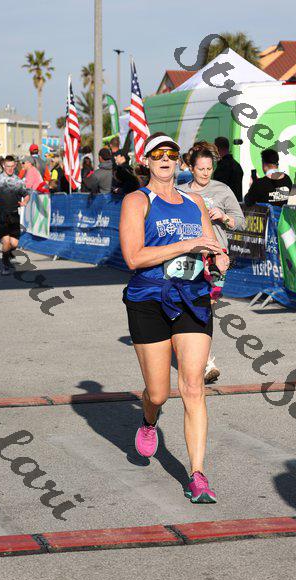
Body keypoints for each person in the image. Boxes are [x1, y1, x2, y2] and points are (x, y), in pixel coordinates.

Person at [119, 131, 229, 503]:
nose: (165, 158)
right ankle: (149, 419)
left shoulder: (194, 202)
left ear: (179, 160)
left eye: (171, 153)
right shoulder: (137, 200)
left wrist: (219, 258)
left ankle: (198, 475)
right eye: (157, 153)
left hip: (192, 296)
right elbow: (133, 257)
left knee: (193, 386)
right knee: (158, 392)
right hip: (149, 298)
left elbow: (211, 246)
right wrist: (185, 245)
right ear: (146, 160)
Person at [180, 141, 245, 384]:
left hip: (216, 257)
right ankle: (203, 361)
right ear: (191, 168)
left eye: (209, 168)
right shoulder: (179, 191)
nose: (206, 173)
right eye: (201, 169)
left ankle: (202, 359)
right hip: (188, 256)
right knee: (190, 306)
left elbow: (241, 222)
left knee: (206, 307)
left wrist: (224, 217)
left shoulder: (222, 190)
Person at [0, 155, 30, 276]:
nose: (10, 168)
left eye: (12, 166)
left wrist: (25, 202)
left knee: (14, 244)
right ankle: (5, 265)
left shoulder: (18, 181)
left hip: (13, 215)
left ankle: (8, 255)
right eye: (8, 166)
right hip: (0, 215)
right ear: (3, 166)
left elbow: (26, 194)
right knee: (6, 242)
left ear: (15, 166)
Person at [213, 137, 244, 202]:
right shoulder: (237, 165)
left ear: (217, 149)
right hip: (236, 203)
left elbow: (218, 188)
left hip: (225, 203)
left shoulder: (223, 167)